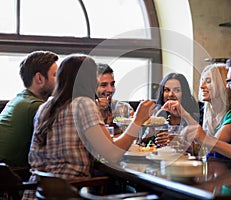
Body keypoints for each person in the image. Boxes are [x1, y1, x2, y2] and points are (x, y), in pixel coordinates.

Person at [22, 54, 154, 199]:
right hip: (67, 193)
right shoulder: (83, 103)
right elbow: (112, 154)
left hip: (37, 192)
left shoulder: (45, 106)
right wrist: (138, 120)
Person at [0, 51, 58, 168]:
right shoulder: (35, 107)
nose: (60, 81)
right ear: (39, 78)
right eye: (55, 75)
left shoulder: (20, 99)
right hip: (12, 178)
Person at [198, 63, 231, 158]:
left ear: (223, 85)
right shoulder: (209, 113)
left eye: (208, 81)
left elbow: (211, 147)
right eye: (202, 81)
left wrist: (184, 115)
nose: (201, 86)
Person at [146, 73, 200, 146]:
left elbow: (200, 144)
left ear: (184, 93)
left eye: (177, 90)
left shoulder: (196, 114)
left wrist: (177, 141)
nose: (171, 94)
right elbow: (142, 144)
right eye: (167, 90)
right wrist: (150, 132)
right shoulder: (157, 113)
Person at [96, 63, 134, 134]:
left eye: (112, 84)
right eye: (104, 85)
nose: (110, 90)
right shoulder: (84, 111)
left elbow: (136, 139)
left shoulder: (125, 109)